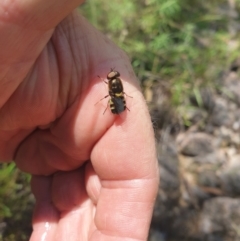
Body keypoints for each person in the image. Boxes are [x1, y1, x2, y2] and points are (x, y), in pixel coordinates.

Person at [0, 0, 159, 240]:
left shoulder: (112, 85)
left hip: (114, 101)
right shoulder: (114, 85)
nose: (112, 76)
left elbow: (114, 92)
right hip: (115, 101)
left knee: (115, 99)